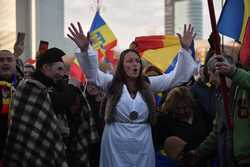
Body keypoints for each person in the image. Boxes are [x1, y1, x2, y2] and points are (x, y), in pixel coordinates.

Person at [68, 22, 197, 167]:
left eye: (137, 61)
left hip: (142, 141)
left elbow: (175, 77)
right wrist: (85, 49)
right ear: (122, 66)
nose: (135, 64)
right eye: (129, 61)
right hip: (116, 142)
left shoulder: (148, 84)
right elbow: (92, 74)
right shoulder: (111, 83)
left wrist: (185, 49)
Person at [4, 48, 68, 166]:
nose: (62, 73)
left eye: (64, 69)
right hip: (28, 150)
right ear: (46, 68)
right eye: (59, 68)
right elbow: (61, 102)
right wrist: (72, 85)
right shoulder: (30, 86)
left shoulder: (52, 85)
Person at [187, 54, 250, 167]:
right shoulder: (221, 98)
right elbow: (217, 132)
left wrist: (233, 72)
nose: (210, 80)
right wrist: (198, 152)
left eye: (210, 74)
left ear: (219, 71)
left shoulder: (244, 88)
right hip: (232, 160)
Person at [0, 50, 17, 161]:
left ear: (15, 65)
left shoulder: (26, 88)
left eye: (9, 60)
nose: (5, 63)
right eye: (1, 60)